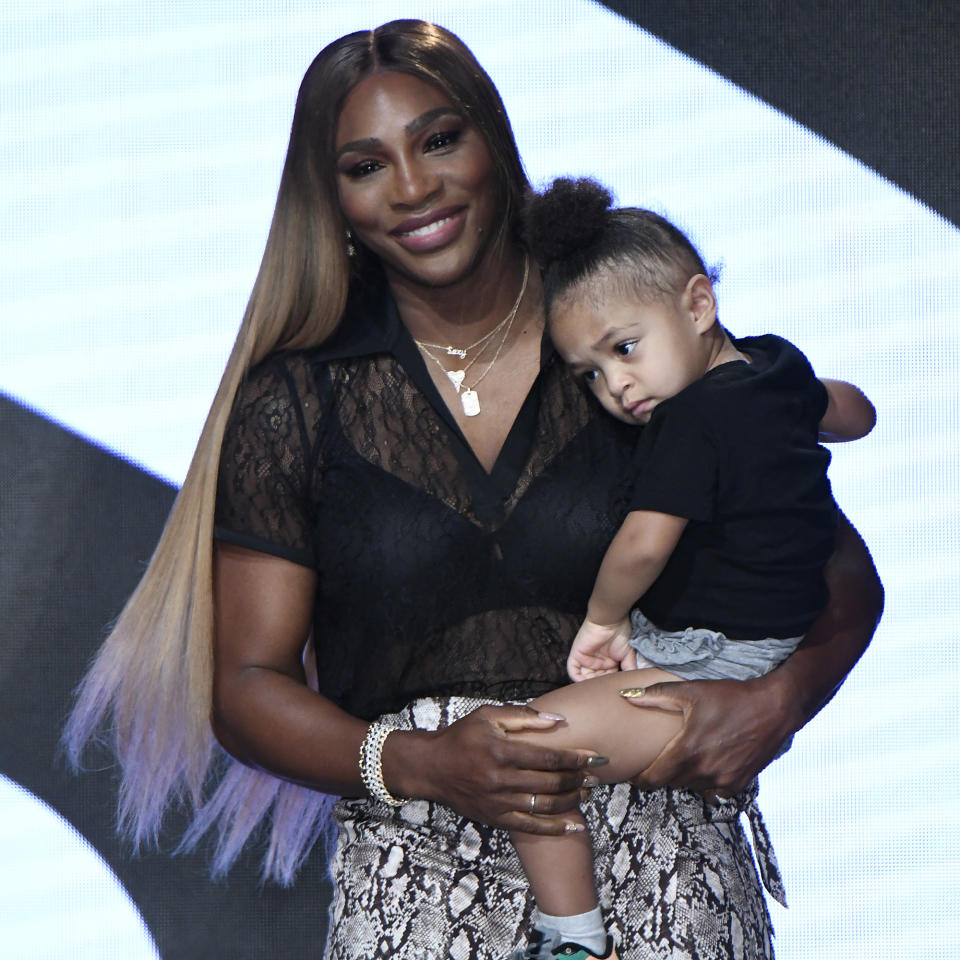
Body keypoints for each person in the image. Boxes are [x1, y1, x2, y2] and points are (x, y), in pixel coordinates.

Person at [63, 20, 883, 960]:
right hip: (415, 891)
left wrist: (775, 708)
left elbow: (838, 578)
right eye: (365, 166)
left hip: (665, 875)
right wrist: (417, 763)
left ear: (493, 140)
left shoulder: (621, 346)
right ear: (329, 199)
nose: (413, 186)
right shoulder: (298, 399)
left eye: (440, 139)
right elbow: (247, 687)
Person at [499, 177, 876, 960]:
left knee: (526, 749)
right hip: (758, 641)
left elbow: (642, 545)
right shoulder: (775, 367)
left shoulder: (691, 422)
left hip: (717, 659)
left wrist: (603, 623)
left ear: (698, 305)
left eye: (623, 348)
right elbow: (855, 412)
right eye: (591, 375)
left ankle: (569, 941)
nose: (617, 387)